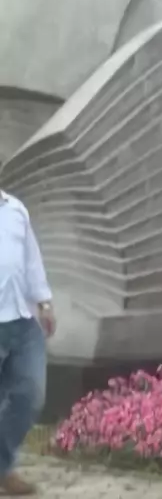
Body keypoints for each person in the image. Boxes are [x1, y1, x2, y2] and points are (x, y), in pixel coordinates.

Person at [0, 189, 56, 496]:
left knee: (31, 395)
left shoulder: (16, 209)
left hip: (22, 319)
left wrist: (44, 302)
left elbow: (31, 260)